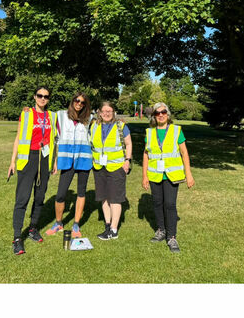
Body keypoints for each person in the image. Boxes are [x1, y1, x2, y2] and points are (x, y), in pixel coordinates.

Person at [7, 86, 58, 255]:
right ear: (34, 96)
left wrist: (55, 161)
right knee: (22, 198)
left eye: (46, 96)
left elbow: (54, 141)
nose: (43, 98)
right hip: (28, 158)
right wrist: (12, 161)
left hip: (44, 159)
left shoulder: (52, 116)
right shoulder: (26, 114)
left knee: (40, 196)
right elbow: (18, 137)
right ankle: (16, 237)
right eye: (40, 95)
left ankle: (33, 228)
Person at [142, 102, 195, 253]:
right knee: (157, 203)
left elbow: (184, 152)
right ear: (153, 116)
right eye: (157, 113)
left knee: (170, 204)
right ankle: (161, 230)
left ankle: (171, 237)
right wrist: (144, 175)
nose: (160, 115)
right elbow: (146, 154)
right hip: (155, 175)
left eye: (163, 112)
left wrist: (188, 174)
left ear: (168, 114)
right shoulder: (150, 132)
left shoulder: (176, 130)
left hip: (172, 174)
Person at [45, 92, 93, 238]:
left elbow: (107, 120)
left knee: (81, 192)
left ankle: (76, 225)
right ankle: (58, 223)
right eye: (77, 101)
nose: (79, 104)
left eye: (82, 102)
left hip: (83, 159)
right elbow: (43, 115)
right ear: (72, 101)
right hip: (66, 160)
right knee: (60, 194)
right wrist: (28, 111)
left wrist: (119, 120)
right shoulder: (60, 115)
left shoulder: (90, 119)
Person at [90, 102, 132, 240]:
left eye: (110, 111)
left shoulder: (121, 126)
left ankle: (114, 229)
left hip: (116, 167)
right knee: (103, 197)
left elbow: (128, 143)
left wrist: (127, 160)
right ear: (99, 112)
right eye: (104, 111)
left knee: (115, 198)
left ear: (114, 112)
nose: (107, 113)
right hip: (99, 167)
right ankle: (107, 225)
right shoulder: (94, 125)